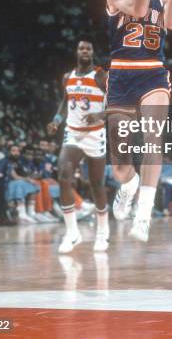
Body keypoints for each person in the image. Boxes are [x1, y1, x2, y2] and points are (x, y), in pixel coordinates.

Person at [106, 0, 172, 242]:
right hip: (121, 77)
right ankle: (128, 187)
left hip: (153, 72)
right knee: (120, 168)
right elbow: (140, 10)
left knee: (154, 137)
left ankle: (143, 215)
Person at [47, 39, 108, 253]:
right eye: (81, 48)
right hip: (72, 133)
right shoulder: (67, 77)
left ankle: (102, 232)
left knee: (96, 185)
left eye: (88, 48)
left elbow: (118, 103)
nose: (84, 51)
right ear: (76, 52)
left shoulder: (101, 76)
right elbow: (65, 101)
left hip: (95, 134)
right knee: (63, 177)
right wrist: (56, 119)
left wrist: (100, 114)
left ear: (92, 52)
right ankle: (72, 233)